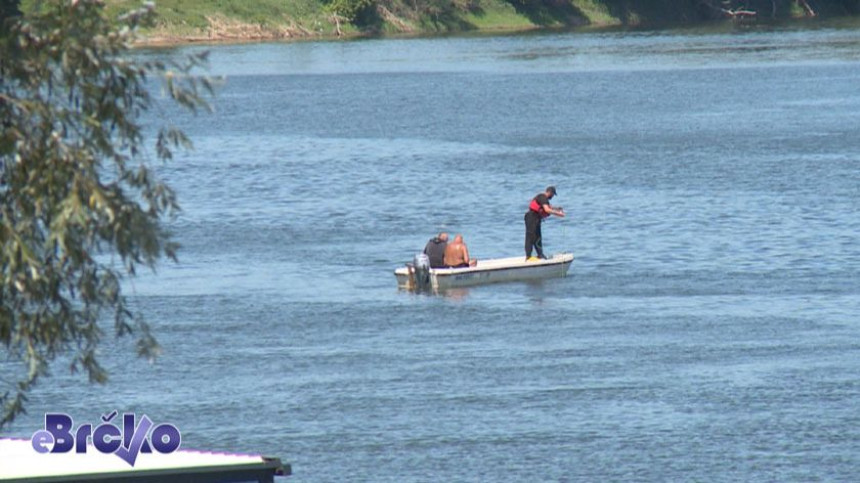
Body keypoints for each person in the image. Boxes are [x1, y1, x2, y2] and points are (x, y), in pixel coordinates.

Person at [524, 186, 565, 260]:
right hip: (531, 217)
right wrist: (559, 214)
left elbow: (548, 207)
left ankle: (540, 254)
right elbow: (547, 210)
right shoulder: (542, 197)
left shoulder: (544, 199)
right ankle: (528, 256)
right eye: (553, 194)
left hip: (536, 218)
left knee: (538, 236)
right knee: (530, 236)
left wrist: (557, 208)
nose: (552, 197)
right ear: (550, 192)